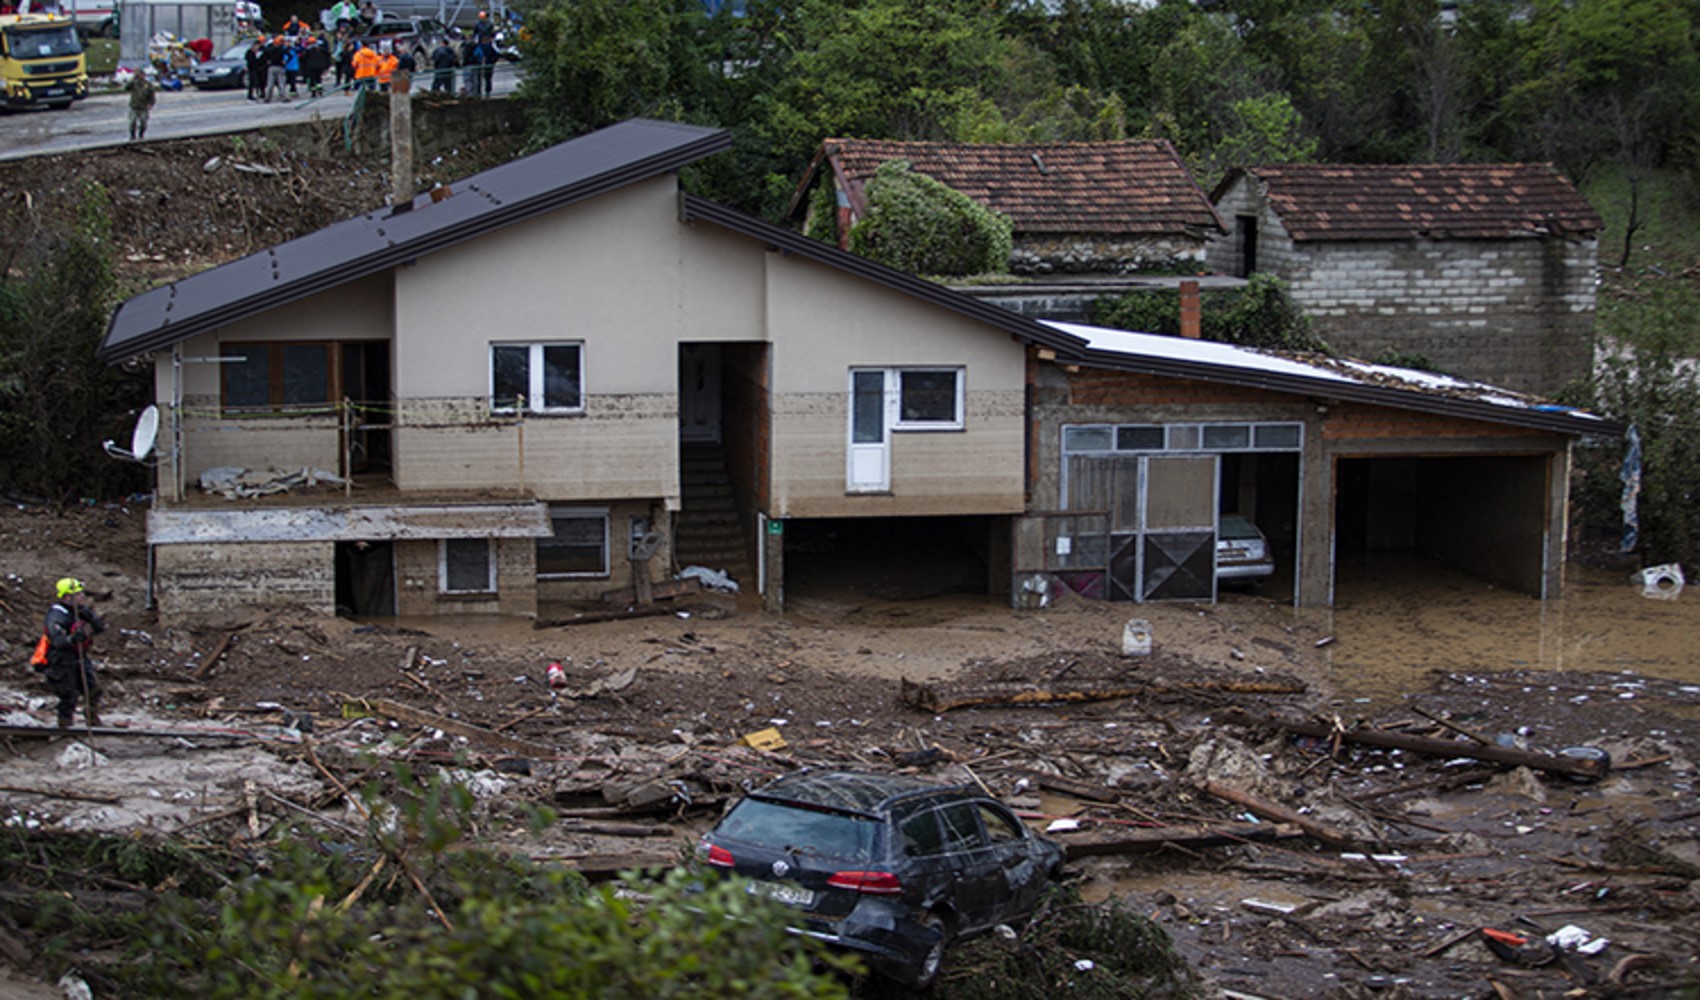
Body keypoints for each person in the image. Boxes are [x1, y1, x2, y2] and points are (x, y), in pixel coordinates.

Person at [40, 578, 106, 729]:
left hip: (79, 657)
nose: (82, 596)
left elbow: (100, 627)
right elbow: (57, 641)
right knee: (68, 695)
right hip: (61, 660)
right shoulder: (57, 615)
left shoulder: (80, 612)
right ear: (67, 597)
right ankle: (65, 724)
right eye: (78, 594)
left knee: (93, 689)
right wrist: (74, 638)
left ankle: (91, 715)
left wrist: (91, 619)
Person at [126, 69, 156, 141]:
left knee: (143, 122)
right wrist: (133, 78)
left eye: (142, 75)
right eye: (139, 75)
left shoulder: (148, 85)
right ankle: (132, 136)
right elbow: (127, 87)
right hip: (134, 106)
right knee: (132, 122)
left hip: (143, 107)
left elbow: (152, 96)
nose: (141, 77)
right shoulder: (134, 83)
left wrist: (150, 103)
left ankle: (141, 135)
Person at [244, 36, 266, 100]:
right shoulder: (250, 52)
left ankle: (261, 93)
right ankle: (251, 94)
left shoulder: (262, 50)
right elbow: (249, 60)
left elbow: (264, 58)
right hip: (252, 69)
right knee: (252, 82)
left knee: (261, 81)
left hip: (260, 68)